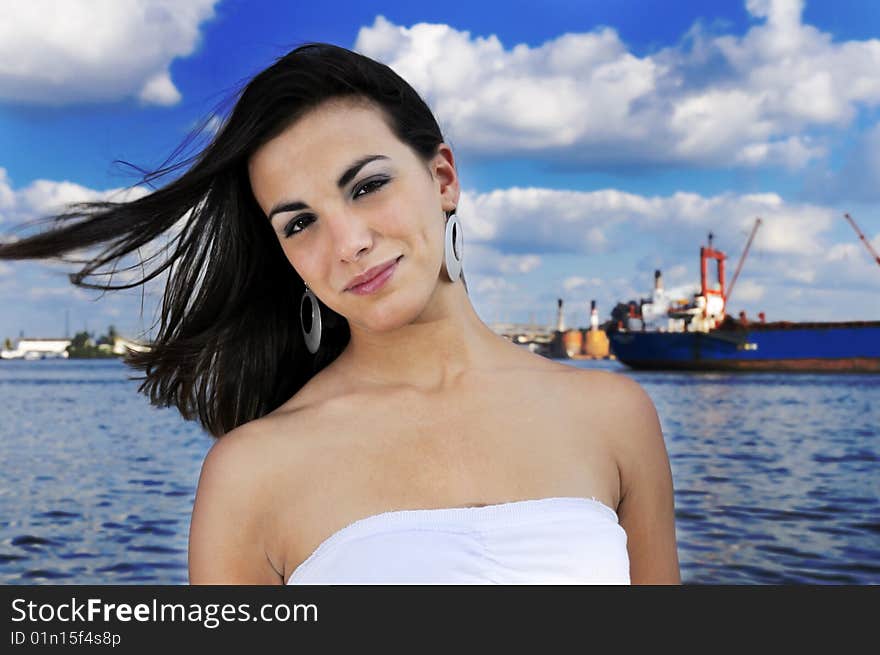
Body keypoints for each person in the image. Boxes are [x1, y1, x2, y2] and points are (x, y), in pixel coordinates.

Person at [0, 43, 680, 585]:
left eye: (368, 185)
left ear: (443, 178)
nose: (348, 243)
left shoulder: (614, 415)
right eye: (300, 223)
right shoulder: (250, 475)